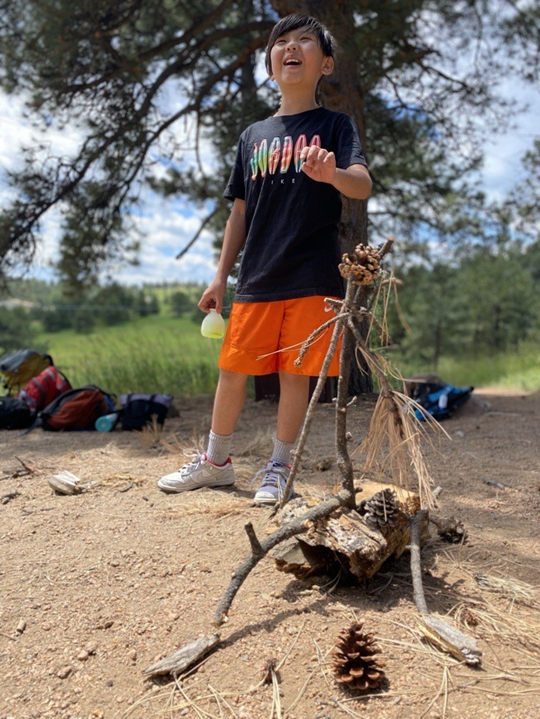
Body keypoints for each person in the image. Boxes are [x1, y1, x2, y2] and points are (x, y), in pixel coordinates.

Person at [158, 13, 372, 504]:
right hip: (256, 274)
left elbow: (361, 184)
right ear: (271, 64)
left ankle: (278, 468)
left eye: (304, 42)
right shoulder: (253, 135)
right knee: (232, 369)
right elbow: (239, 213)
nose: (291, 47)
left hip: (314, 274)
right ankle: (216, 463)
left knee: (294, 372)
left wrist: (333, 173)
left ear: (326, 64)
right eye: (282, 43)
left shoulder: (335, 126)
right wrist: (219, 277)